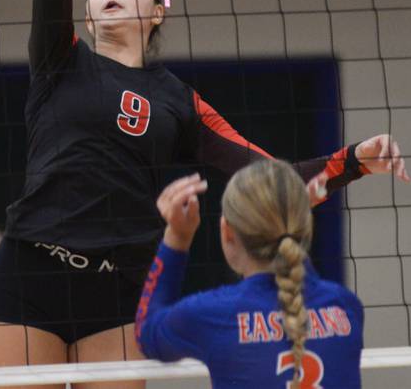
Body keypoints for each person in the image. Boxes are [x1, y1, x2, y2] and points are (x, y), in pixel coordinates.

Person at [0, 0, 409, 388]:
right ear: (85, 10)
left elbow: (273, 180)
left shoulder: (178, 99)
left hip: (118, 285)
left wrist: (354, 161)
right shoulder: (60, 59)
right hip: (29, 270)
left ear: (158, 12)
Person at [136, 163, 363, 388]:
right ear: (305, 227)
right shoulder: (346, 307)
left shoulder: (213, 313)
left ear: (227, 232)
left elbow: (147, 333)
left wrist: (177, 237)